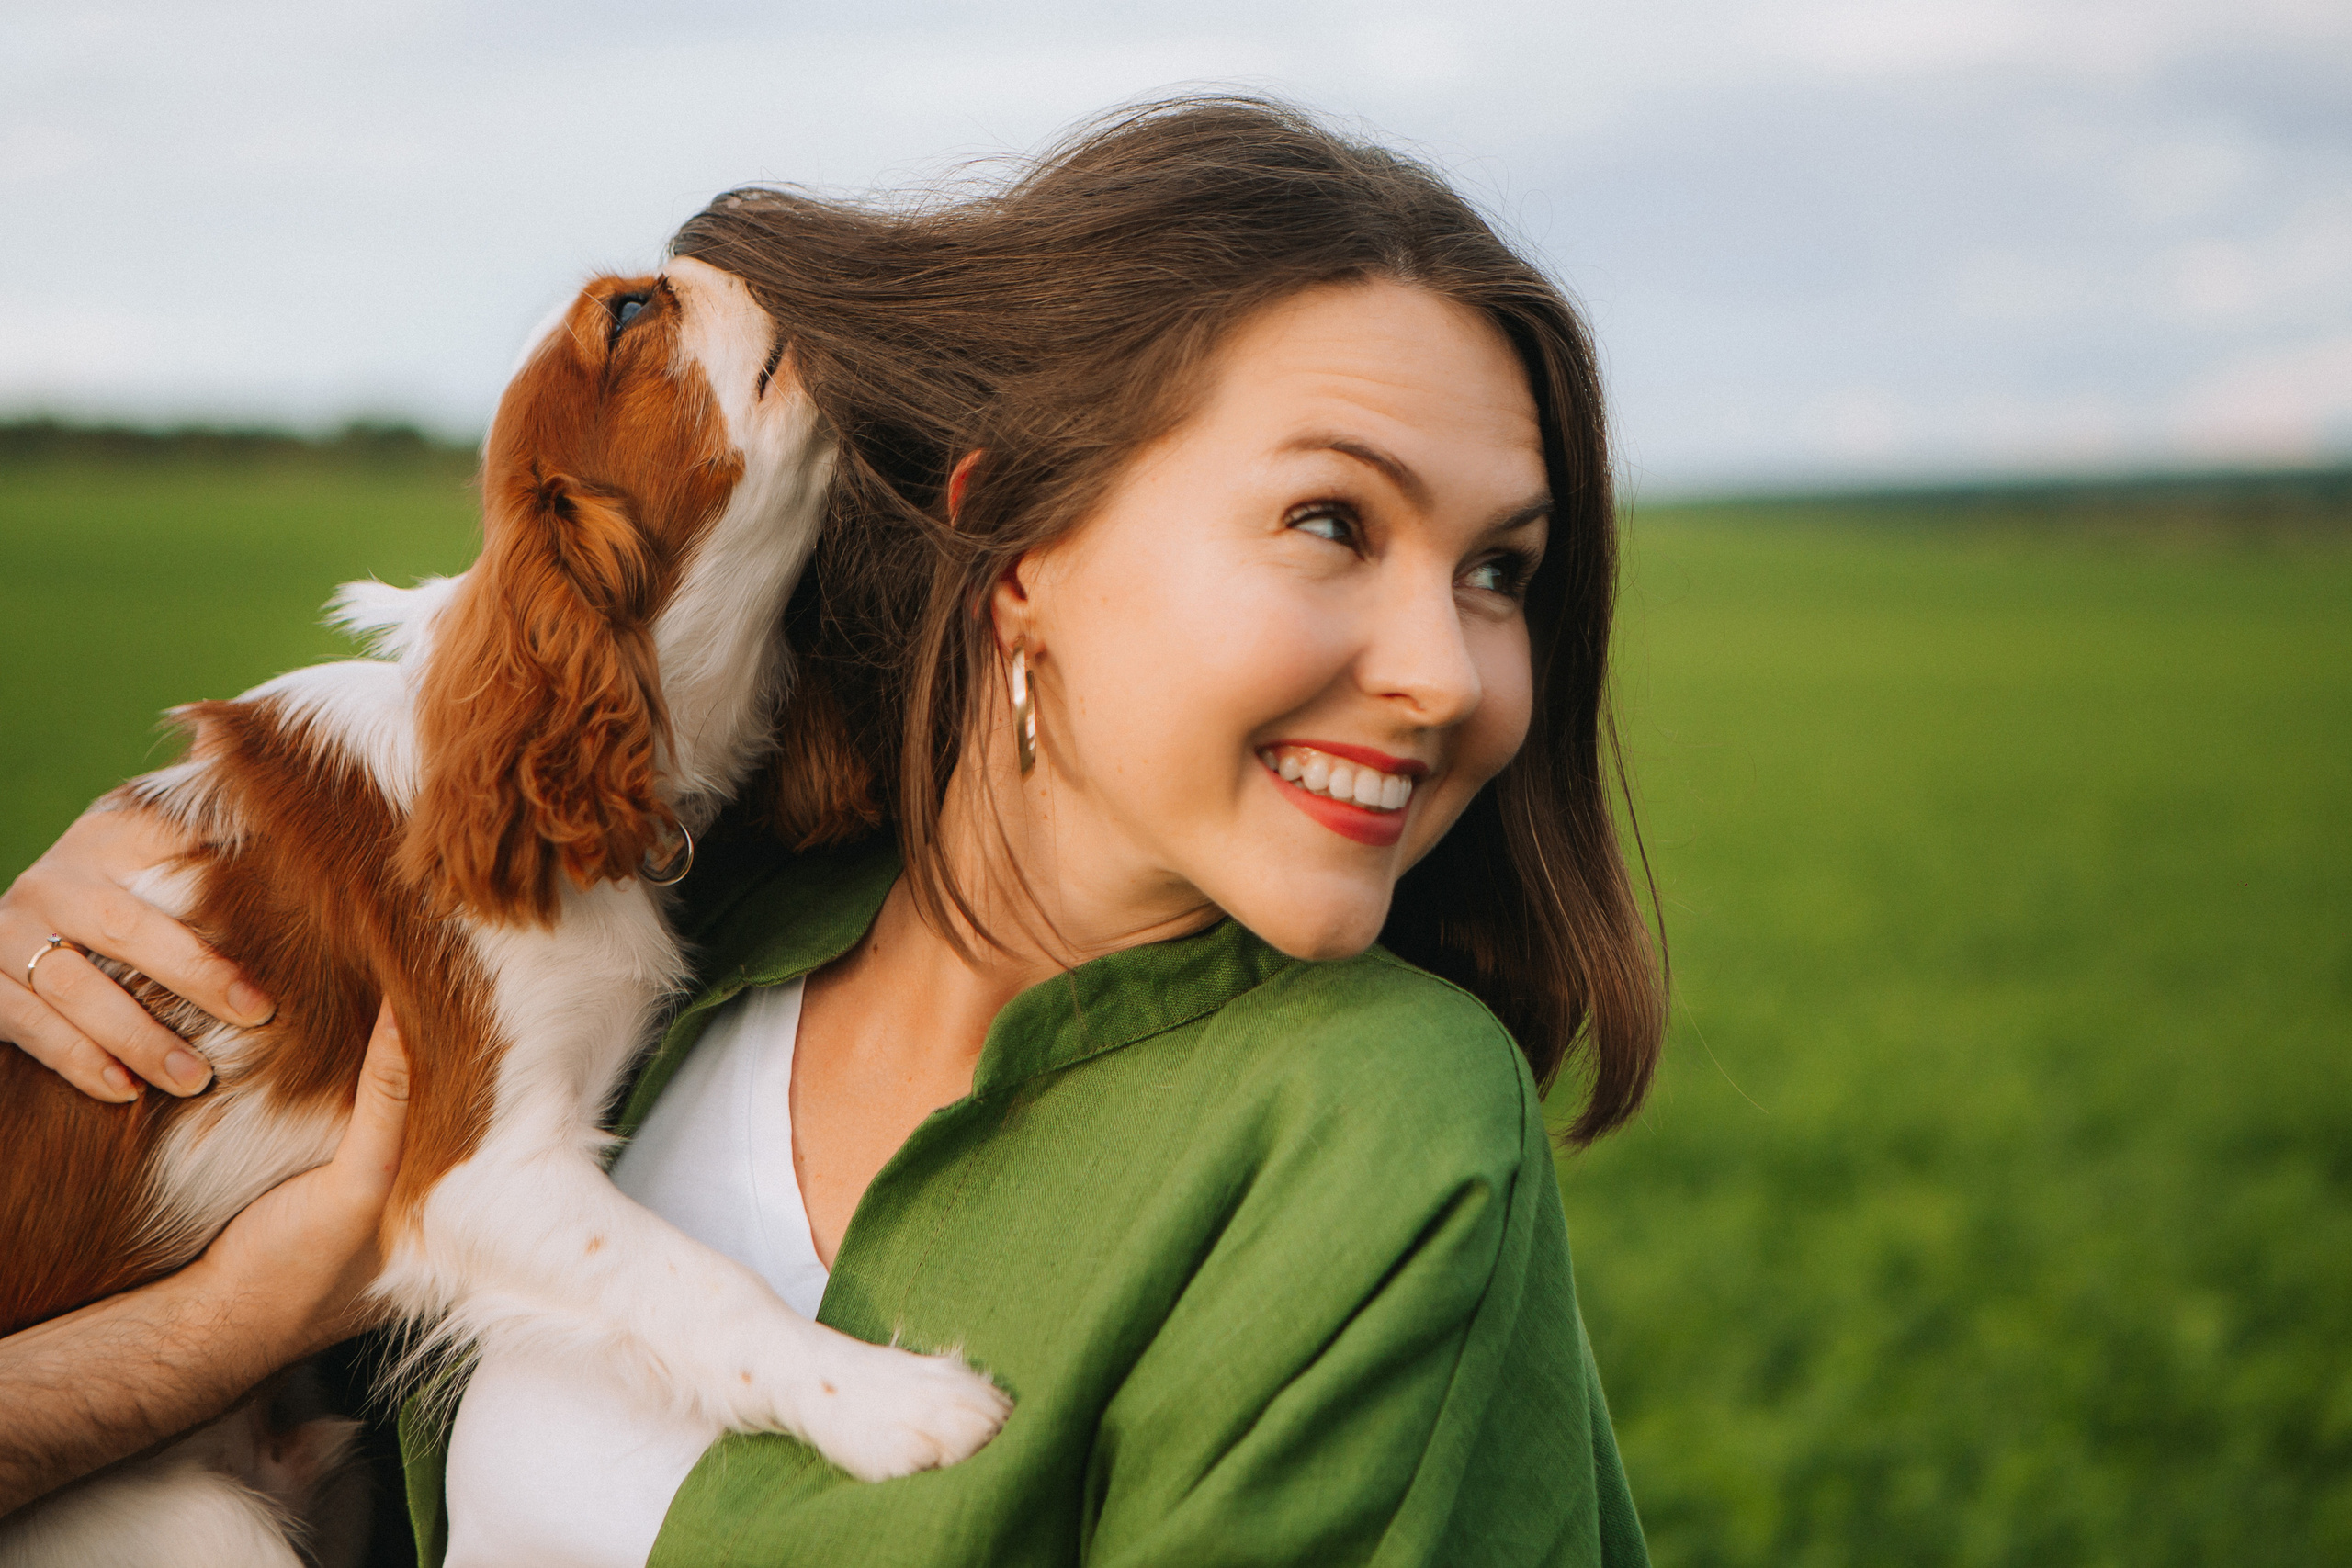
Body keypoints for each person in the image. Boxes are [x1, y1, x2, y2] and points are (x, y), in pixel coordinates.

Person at [0, 98, 1665, 1565]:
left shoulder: (1380, 1124)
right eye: (1328, 519)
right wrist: (128, 915)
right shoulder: (711, 914)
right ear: (1017, 543)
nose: (1446, 676)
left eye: (1500, 571)